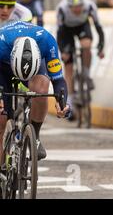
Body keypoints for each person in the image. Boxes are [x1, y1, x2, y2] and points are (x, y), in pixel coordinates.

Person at [0, 21, 71, 162]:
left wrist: (62, 102)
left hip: (36, 68)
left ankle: (35, 136)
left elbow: (58, 80)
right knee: (1, 119)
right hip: (3, 67)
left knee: (41, 89)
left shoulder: (47, 41)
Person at [56, 0, 105, 113]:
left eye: (79, 6)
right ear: (68, 5)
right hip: (66, 30)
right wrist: (63, 51)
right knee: (68, 67)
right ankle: (70, 100)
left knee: (86, 45)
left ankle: (86, 73)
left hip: (83, 26)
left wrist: (101, 46)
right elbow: (59, 33)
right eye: (74, 7)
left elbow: (98, 28)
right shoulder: (62, 8)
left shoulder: (89, 6)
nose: (77, 9)